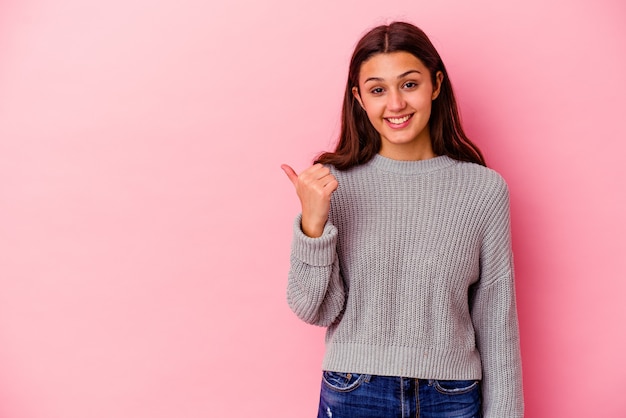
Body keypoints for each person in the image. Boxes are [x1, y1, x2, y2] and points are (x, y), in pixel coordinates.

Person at [281, 21, 523, 418]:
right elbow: (313, 309)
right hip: (355, 391)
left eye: (409, 84)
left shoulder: (484, 191)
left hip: (452, 396)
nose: (395, 104)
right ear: (359, 98)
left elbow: (497, 324)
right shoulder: (332, 185)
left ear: (436, 84)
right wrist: (313, 226)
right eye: (378, 90)